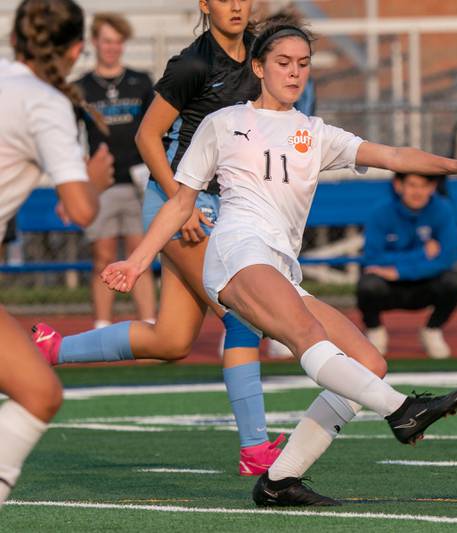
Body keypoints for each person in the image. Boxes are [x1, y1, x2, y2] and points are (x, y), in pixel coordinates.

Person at [101, 17, 457, 506]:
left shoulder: (314, 132)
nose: (294, 72)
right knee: (308, 336)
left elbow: (391, 154)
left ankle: (281, 480)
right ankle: (404, 411)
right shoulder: (224, 124)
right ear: (258, 67)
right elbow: (180, 202)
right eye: (283, 63)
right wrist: (136, 262)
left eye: (303, 64)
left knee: (370, 361)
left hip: (279, 266)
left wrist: (452, 165)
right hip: (236, 252)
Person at [32, 0, 284, 477]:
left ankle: (51, 349)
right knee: (244, 316)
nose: (236, 4)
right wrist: (180, 202)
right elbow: (150, 137)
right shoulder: (192, 63)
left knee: (171, 341)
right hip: (184, 206)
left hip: (223, 208)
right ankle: (255, 449)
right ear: (204, 5)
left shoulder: (259, 54)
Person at [0, 0, 113, 506]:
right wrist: (93, 179)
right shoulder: (45, 103)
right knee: (39, 394)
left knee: (39, 392)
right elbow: (81, 210)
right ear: (76, 50)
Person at [76, 12, 157, 330]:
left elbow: (155, 128)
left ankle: (150, 324)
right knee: (104, 256)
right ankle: (102, 325)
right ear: (95, 42)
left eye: (117, 42)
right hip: (103, 185)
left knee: (140, 257)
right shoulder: (81, 88)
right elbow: (70, 140)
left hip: (139, 182)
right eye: (106, 41)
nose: (112, 48)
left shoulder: (141, 81)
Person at [358, 172, 457, 359]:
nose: (418, 192)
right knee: (368, 284)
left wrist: (400, 271)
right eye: (412, 185)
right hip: (389, 287)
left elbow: (447, 257)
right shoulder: (380, 211)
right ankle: (375, 331)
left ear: (432, 188)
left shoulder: (444, 210)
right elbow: (373, 258)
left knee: (454, 281)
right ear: (398, 185)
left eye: (424, 186)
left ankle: (432, 330)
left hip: (426, 283)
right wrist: (422, 254)